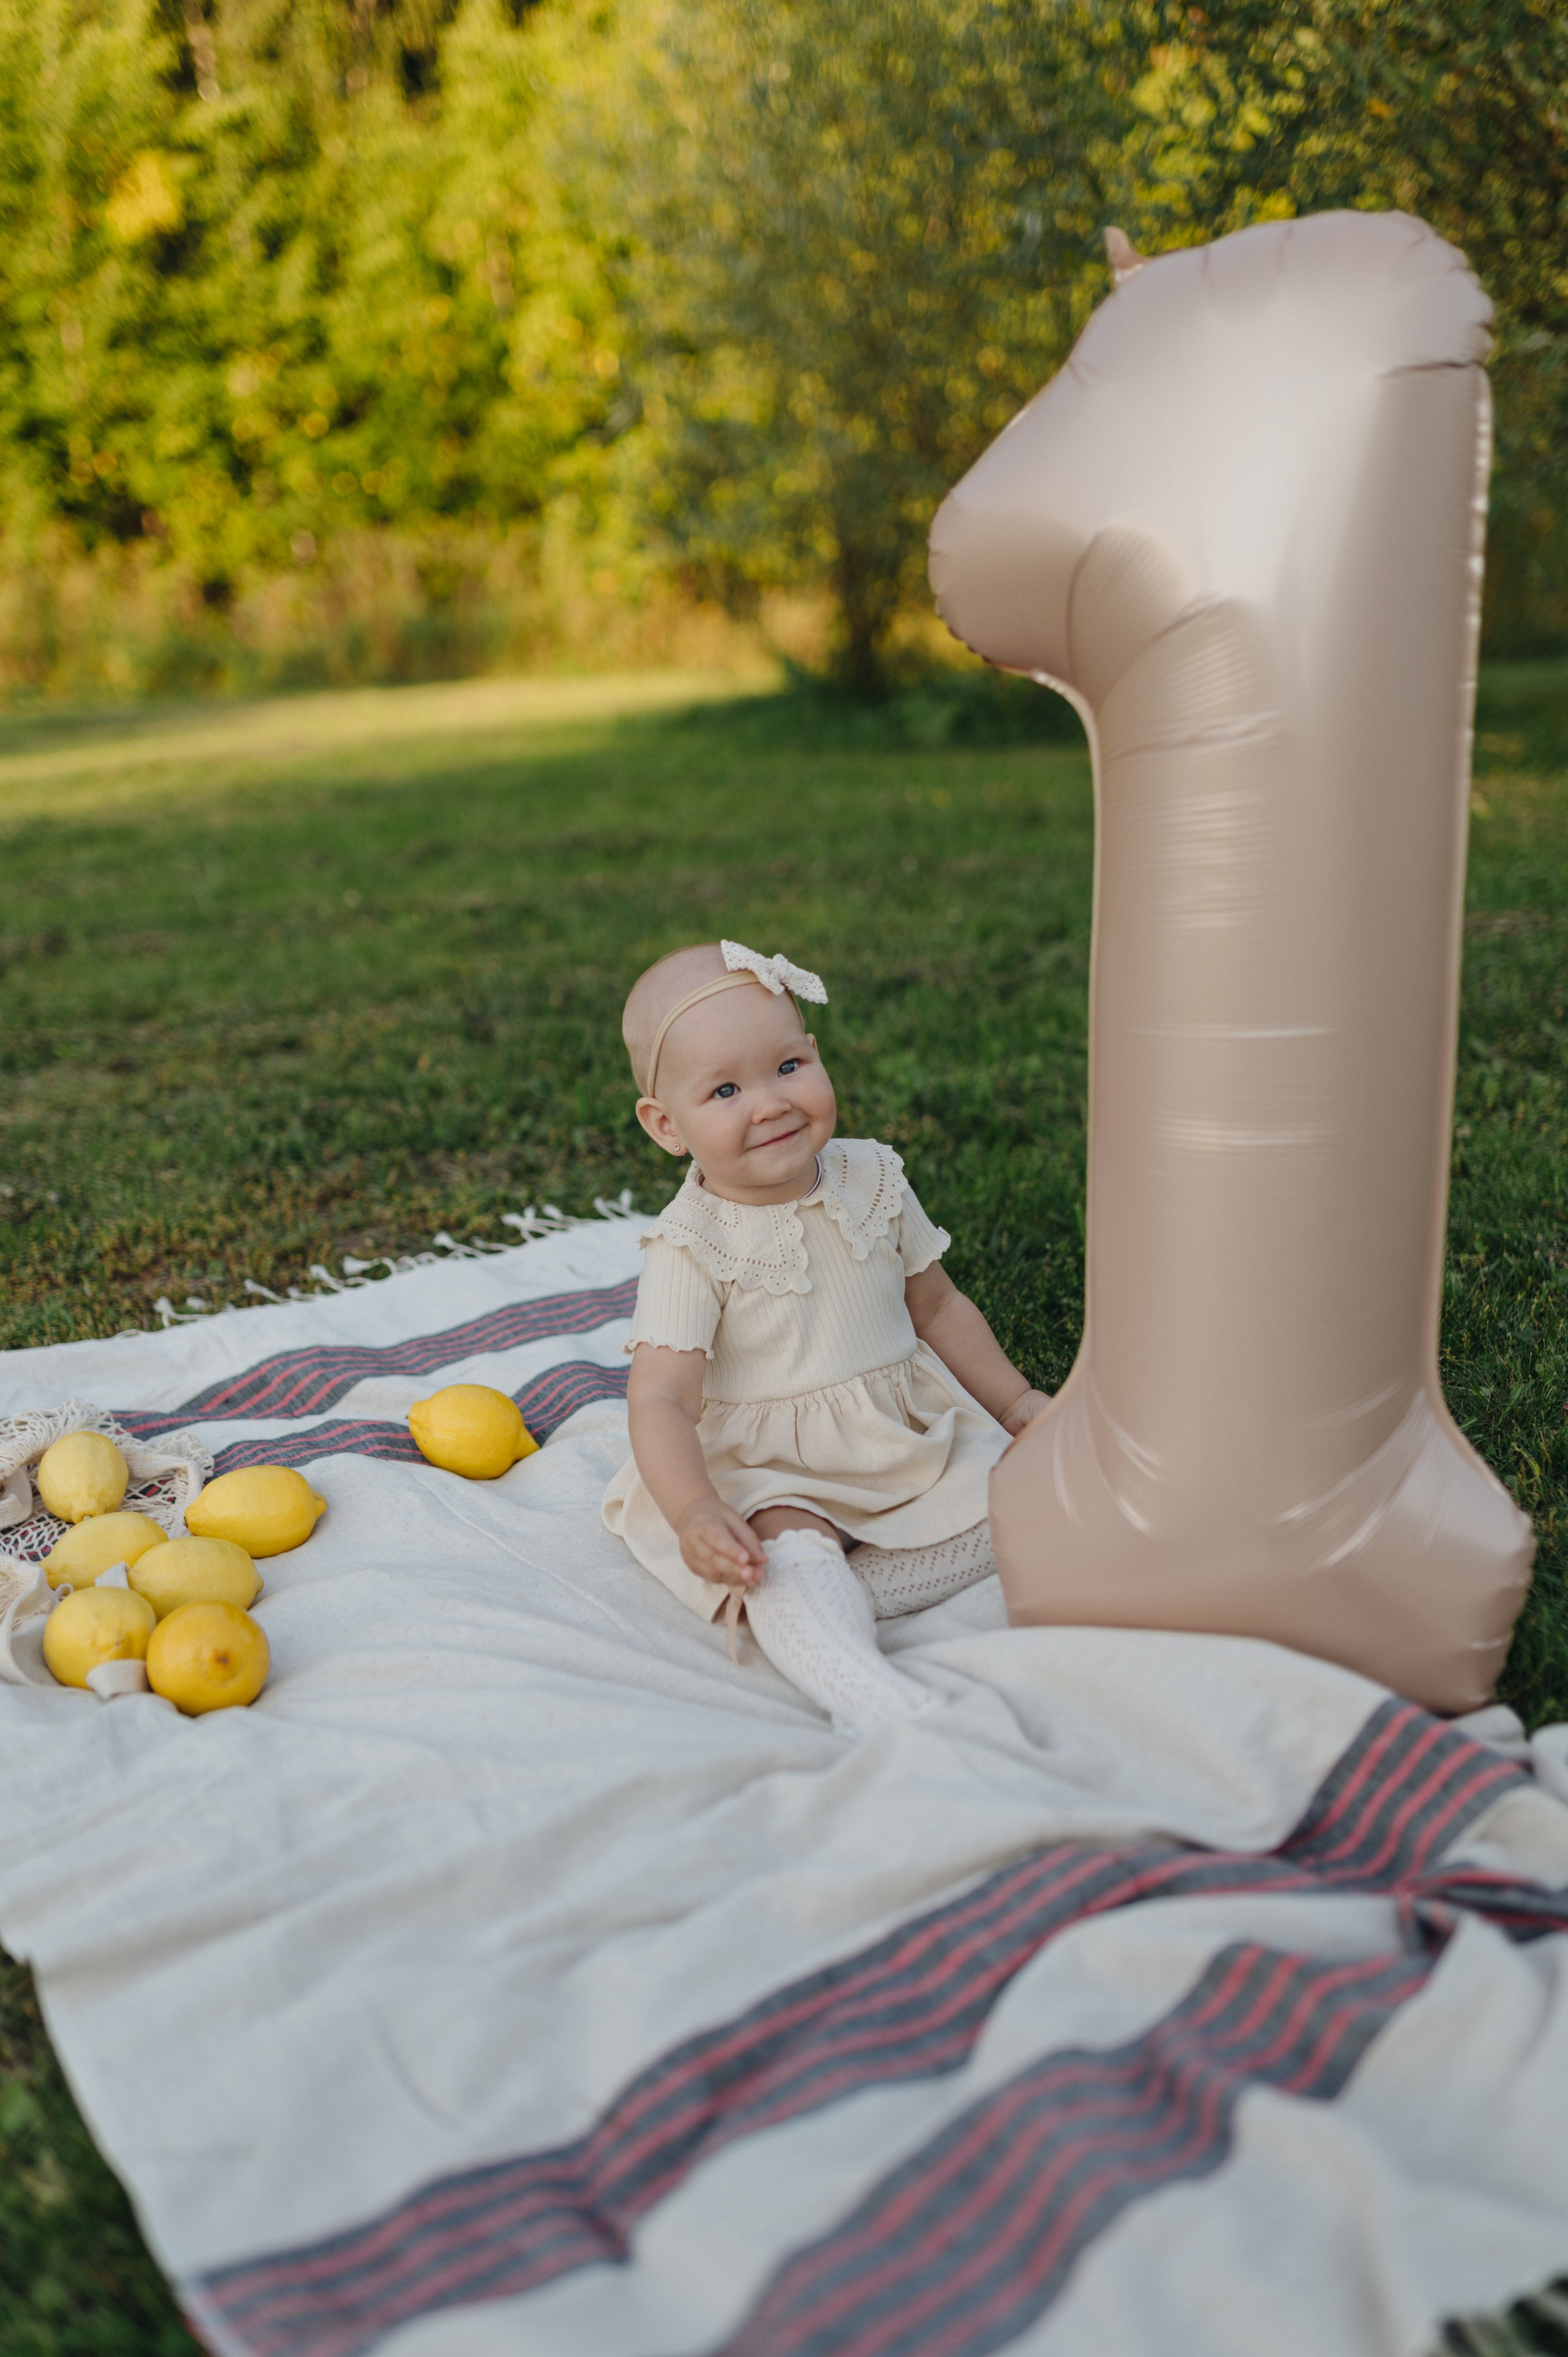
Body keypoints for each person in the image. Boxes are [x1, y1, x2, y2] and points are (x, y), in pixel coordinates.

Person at [601, 939, 1049, 1732]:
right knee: (777, 1544)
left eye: (787, 1068)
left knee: (1036, 1484)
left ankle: (848, 1592)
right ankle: (868, 1694)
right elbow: (663, 1400)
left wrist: (1015, 1404)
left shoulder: (872, 1176)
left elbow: (937, 1308)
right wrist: (697, 1510)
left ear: (815, 1056)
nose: (770, 1103)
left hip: (899, 1436)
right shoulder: (693, 1242)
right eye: (726, 1089)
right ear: (666, 1126)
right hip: (774, 1468)